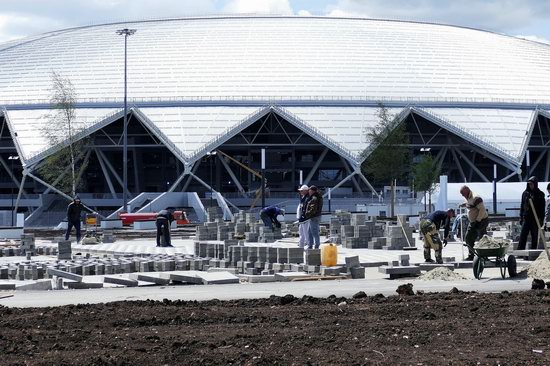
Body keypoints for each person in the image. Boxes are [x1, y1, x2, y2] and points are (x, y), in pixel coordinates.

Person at [459, 185, 489, 260]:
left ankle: (484, 256)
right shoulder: (468, 198)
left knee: (482, 238)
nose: (463, 196)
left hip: (481, 221)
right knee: (468, 238)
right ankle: (471, 255)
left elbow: (482, 210)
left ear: (467, 192)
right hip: (473, 222)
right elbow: (470, 204)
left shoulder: (476, 198)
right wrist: (464, 204)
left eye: (463, 194)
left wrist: (478, 221)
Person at [518, 176, 545, 250]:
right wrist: (521, 217)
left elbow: (542, 207)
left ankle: (533, 251)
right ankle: (520, 251)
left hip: (535, 218)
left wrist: (541, 219)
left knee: (534, 235)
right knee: (523, 235)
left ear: (535, 184)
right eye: (529, 184)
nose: (530, 186)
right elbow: (522, 205)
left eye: (532, 184)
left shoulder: (540, 194)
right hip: (526, 218)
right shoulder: (525, 193)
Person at [305, 185, 323, 249]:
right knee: (309, 232)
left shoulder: (314, 198)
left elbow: (313, 209)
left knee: (314, 232)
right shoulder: (316, 197)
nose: (309, 191)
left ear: (312, 191)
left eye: (309, 190)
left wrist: (307, 214)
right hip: (314, 217)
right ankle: (310, 245)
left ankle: (317, 246)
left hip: (314, 217)